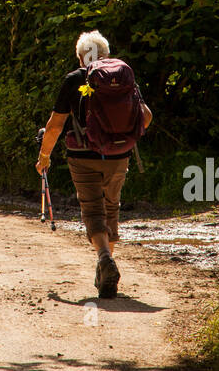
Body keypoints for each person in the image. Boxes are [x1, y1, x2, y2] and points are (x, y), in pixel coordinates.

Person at [36, 30, 152, 298]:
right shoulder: (123, 77)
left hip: (83, 157)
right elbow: (146, 117)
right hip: (119, 156)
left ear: (79, 57)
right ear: (107, 55)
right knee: (112, 206)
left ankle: (104, 258)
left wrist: (44, 157)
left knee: (92, 209)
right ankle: (106, 265)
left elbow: (54, 126)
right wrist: (125, 137)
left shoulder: (74, 79)